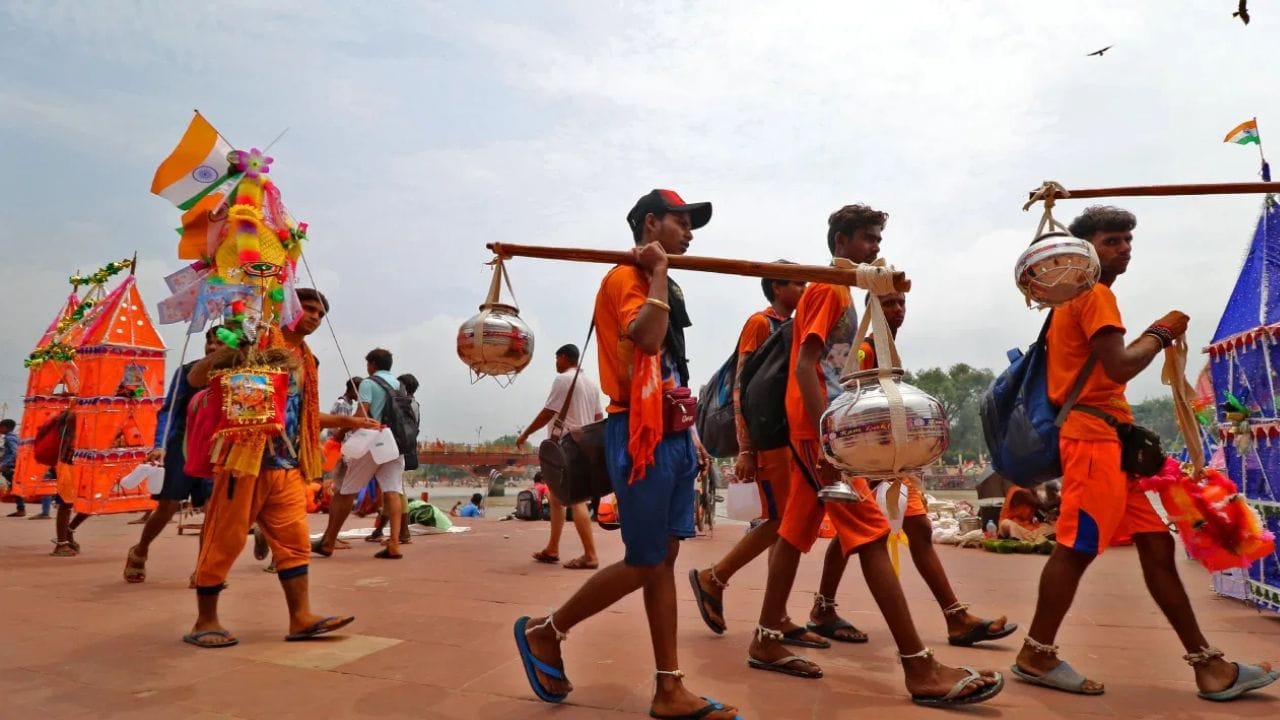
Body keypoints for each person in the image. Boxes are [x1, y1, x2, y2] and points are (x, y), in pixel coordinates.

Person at [1012, 206, 1278, 700]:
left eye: (1127, 241)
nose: (1124, 249)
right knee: (1077, 548)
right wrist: (1160, 332)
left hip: (1109, 444)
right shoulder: (1092, 294)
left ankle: (1207, 665)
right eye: (1113, 241)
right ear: (1085, 250)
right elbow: (1118, 368)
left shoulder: (1076, 300)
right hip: (1092, 443)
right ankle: (1036, 652)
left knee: (1157, 546)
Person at [748, 204, 1002, 706]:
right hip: (821, 429)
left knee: (795, 531)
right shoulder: (825, 286)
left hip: (824, 427)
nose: (875, 248)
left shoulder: (847, 290)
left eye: (878, 239)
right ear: (841, 242)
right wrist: (829, 438)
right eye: (867, 239)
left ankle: (767, 638)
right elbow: (806, 365)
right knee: (868, 534)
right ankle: (918, 665)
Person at [515, 189, 739, 720]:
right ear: (649, 225)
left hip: (673, 434)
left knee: (664, 556)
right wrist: (657, 272)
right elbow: (648, 338)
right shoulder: (623, 278)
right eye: (680, 222)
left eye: (691, 225)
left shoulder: (663, 282)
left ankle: (669, 687)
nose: (688, 233)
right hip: (640, 436)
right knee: (644, 559)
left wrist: (695, 441)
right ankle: (547, 632)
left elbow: (674, 371)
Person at [805, 290, 1014, 647]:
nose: (897, 310)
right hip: (870, 461)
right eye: (888, 303)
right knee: (876, 533)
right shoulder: (864, 351)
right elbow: (849, 401)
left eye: (901, 302)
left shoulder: (888, 352)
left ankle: (954, 616)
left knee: (906, 530)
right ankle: (951, 617)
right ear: (872, 308)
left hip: (891, 463)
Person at [184, 288, 378, 648]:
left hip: (286, 464)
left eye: (321, 313)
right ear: (286, 306)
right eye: (308, 309)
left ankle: (300, 617)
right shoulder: (253, 342)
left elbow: (303, 414)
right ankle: (204, 620)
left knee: (295, 542)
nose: (315, 317)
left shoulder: (306, 359)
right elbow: (196, 378)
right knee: (224, 541)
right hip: (243, 461)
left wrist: (350, 422)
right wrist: (233, 347)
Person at [688, 267, 813, 641]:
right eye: (797, 283)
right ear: (777, 286)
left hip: (786, 437)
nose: (804, 289)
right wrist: (745, 448)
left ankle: (778, 615)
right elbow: (742, 387)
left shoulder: (791, 325)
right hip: (766, 440)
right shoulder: (760, 323)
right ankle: (715, 576)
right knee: (780, 521)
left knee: (784, 529)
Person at [123, 326, 227, 583]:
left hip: (218, 449)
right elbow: (168, 411)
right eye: (210, 342)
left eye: (219, 343)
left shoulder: (238, 377)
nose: (213, 347)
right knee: (168, 506)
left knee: (213, 508)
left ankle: (204, 569)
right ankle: (140, 551)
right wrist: (160, 444)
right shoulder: (188, 371)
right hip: (183, 446)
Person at [314, 348, 409, 560]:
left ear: (372, 364)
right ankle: (394, 543)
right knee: (393, 490)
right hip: (395, 442)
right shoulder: (399, 385)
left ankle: (328, 541)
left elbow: (360, 414)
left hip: (372, 439)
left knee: (346, 490)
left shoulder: (369, 383)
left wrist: (339, 434)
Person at [516, 343, 604, 570]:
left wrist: (525, 433)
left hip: (567, 445)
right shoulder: (592, 385)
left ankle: (590, 554)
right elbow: (598, 417)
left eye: (557, 358)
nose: (556, 363)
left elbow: (548, 412)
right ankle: (552, 548)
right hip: (585, 444)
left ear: (564, 358)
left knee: (575, 499)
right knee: (556, 497)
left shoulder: (564, 380)